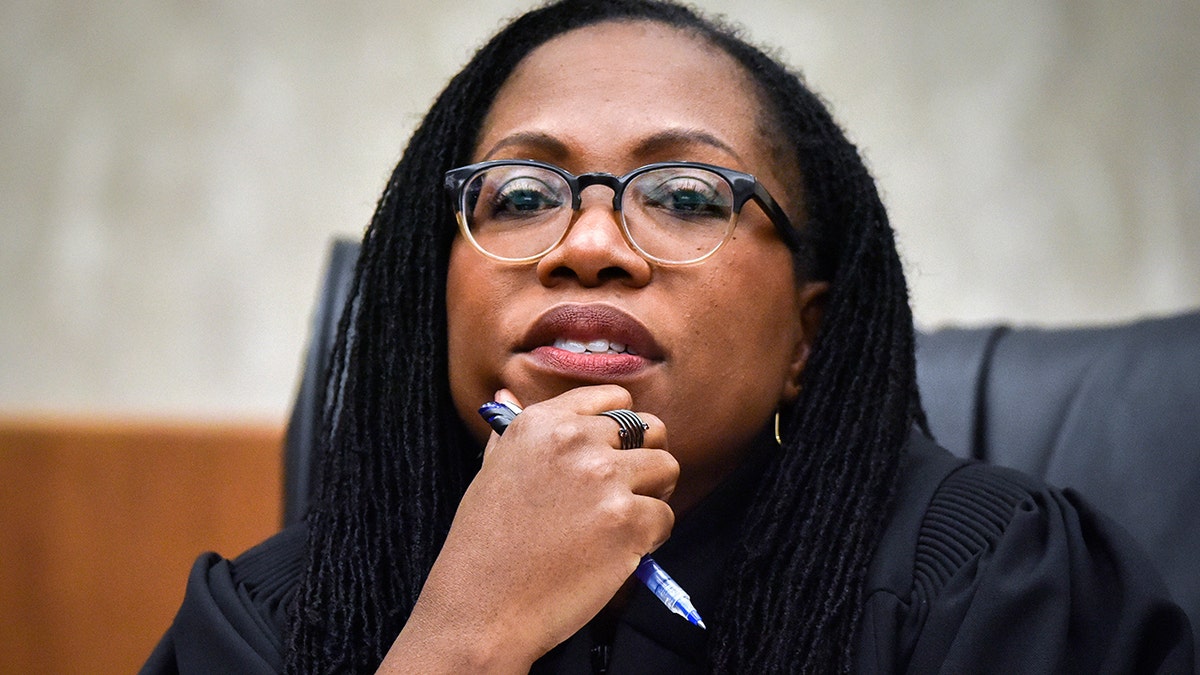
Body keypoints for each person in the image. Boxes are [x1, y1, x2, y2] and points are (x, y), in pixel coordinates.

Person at [142, 1, 1194, 672]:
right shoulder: (274, 621)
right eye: (519, 193)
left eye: (686, 195)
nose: (590, 242)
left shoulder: (993, 588)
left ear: (807, 338)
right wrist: (465, 639)